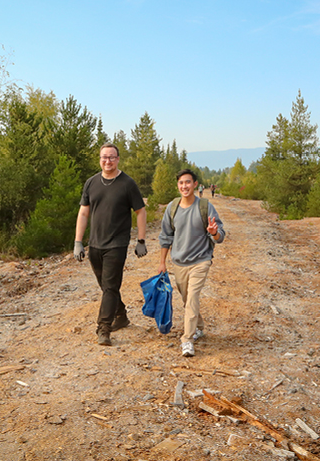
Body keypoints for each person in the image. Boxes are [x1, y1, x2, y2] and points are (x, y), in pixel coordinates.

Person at [74, 143, 148, 346]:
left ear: (118, 159)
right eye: (104, 157)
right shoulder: (91, 183)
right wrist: (78, 242)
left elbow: (140, 211)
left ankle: (104, 328)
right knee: (107, 286)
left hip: (117, 244)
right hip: (95, 243)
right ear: (100, 159)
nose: (108, 161)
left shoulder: (127, 184)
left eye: (112, 157)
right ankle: (121, 314)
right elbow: (83, 212)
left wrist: (141, 240)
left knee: (110, 286)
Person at [158, 169, 225, 357]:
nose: (184, 186)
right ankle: (199, 327)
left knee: (193, 297)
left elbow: (220, 236)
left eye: (188, 182)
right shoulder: (172, 208)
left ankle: (187, 339)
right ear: (178, 185)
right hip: (179, 262)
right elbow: (165, 237)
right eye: (181, 183)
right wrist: (162, 262)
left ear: (195, 184)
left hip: (201, 260)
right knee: (187, 299)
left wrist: (213, 232)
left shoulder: (205, 206)